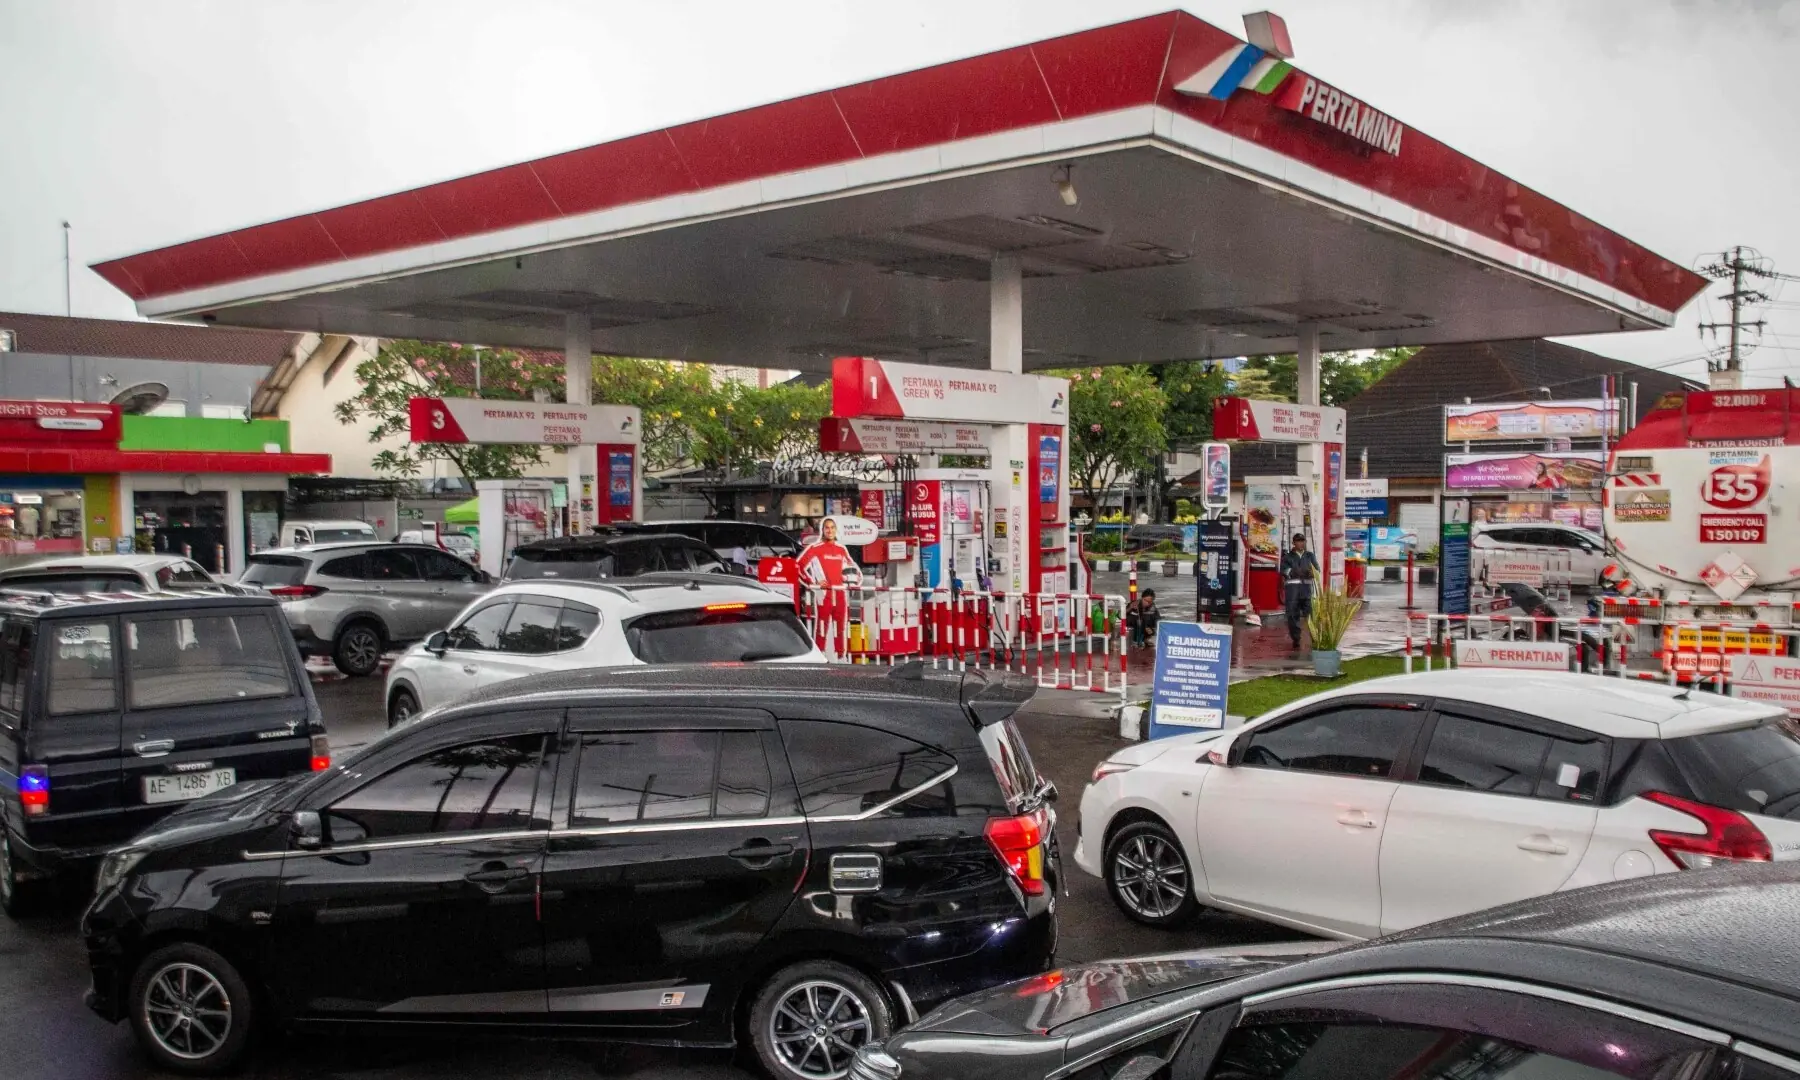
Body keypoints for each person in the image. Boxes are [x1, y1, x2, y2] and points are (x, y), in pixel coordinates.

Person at [1280, 533, 1320, 650]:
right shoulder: (1288, 557)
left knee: (1312, 615)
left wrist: (1312, 572)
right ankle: (1296, 638)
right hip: (1292, 592)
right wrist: (1292, 572)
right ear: (1294, 543)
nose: (1301, 543)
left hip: (1307, 592)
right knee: (1292, 616)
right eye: (1298, 541)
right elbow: (1283, 570)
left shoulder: (1310, 556)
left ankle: (1315, 638)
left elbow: (1317, 569)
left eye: (1302, 541)